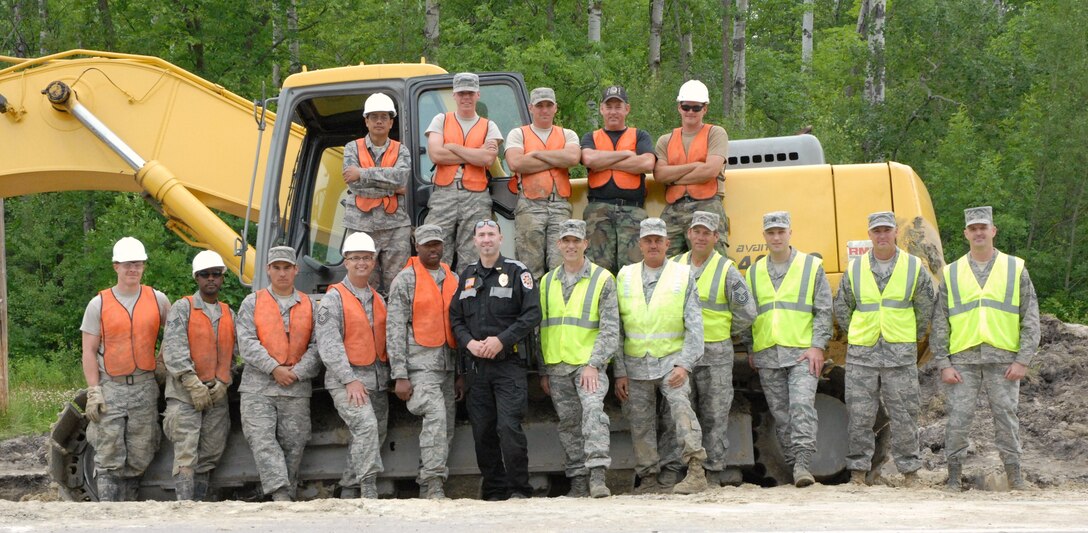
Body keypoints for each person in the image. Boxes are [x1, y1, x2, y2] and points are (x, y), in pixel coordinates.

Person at [932, 206, 1040, 491]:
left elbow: (1030, 317)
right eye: (973, 228)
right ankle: (954, 477)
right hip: (962, 361)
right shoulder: (952, 272)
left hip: (1003, 360)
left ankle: (1015, 476)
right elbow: (940, 320)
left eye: (984, 227)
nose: (979, 232)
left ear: (993, 231)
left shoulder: (1015, 268)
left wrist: (1023, 360)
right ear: (966, 233)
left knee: (1006, 418)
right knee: (957, 420)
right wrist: (943, 362)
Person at [833, 212, 935, 487]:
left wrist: (908, 337)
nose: (881, 236)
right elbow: (842, 306)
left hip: (899, 356)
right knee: (860, 416)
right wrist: (856, 332)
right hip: (862, 356)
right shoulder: (855, 268)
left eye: (886, 231)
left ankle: (909, 472)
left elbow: (926, 306)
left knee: (905, 415)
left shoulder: (913, 267)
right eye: (876, 231)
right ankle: (857, 473)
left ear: (894, 233)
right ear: (869, 235)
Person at [659, 211, 756, 488]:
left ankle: (711, 471)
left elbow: (747, 312)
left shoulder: (727, 269)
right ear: (688, 234)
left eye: (707, 233)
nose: (701, 237)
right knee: (674, 414)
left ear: (716, 237)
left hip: (715, 355)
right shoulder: (673, 266)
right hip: (680, 354)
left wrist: (723, 332)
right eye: (696, 231)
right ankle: (674, 469)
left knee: (714, 414)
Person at [614, 218, 708, 495]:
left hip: (672, 362)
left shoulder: (682, 274)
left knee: (682, 413)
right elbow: (616, 327)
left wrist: (685, 364)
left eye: (658, 240)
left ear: (667, 243)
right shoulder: (625, 276)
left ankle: (695, 471)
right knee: (640, 422)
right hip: (635, 364)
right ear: (640, 244)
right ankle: (649, 478)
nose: (653, 244)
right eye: (648, 240)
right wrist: (620, 370)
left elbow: (695, 326)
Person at [450, 219, 541, 500]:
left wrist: (501, 339)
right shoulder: (466, 276)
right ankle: (493, 490)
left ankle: (518, 489)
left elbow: (532, 314)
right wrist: (469, 343)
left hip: (508, 366)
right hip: (477, 369)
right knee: (483, 431)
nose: (486, 239)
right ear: (474, 241)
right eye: (481, 235)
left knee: (508, 427)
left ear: (501, 238)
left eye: (491, 234)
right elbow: (455, 317)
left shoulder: (517, 272)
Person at [744, 211, 832, 488]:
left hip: (802, 353)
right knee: (780, 414)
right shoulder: (754, 272)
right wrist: (751, 348)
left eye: (781, 231)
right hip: (767, 353)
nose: (776, 237)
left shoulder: (810, 266)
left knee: (801, 406)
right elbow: (748, 314)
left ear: (790, 233)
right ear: (765, 237)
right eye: (771, 233)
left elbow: (824, 310)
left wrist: (818, 346)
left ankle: (803, 464)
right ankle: (795, 466)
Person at [80, 236, 171, 501]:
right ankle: (108, 509)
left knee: (141, 448)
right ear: (116, 266)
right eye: (127, 264)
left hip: (144, 385)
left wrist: (162, 359)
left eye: (138, 264)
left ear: (143, 266)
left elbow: (176, 331)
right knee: (109, 449)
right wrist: (94, 390)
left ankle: (129, 509)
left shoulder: (158, 299)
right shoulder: (99, 304)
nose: (133, 269)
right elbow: (88, 350)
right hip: (112, 386)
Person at [538, 219, 618, 498]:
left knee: (593, 414)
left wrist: (594, 364)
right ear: (559, 244)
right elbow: (542, 329)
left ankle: (597, 476)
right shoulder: (547, 282)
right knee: (569, 424)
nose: (571, 246)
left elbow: (610, 329)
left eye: (576, 241)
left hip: (588, 366)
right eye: (566, 241)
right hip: (558, 366)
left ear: (585, 243)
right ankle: (578, 481)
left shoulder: (603, 279)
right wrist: (544, 370)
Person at [236, 246, 322, 502]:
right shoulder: (252, 302)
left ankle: (286, 495)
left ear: (296, 270)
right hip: (257, 388)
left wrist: (296, 373)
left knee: (294, 445)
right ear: (268, 270)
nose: (282, 273)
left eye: (287, 268)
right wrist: (274, 368)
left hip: (295, 388)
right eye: (277, 268)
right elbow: (246, 341)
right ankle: (280, 494)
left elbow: (319, 346)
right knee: (262, 440)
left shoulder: (310, 305)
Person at [386, 224, 462, 499]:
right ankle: (433, 484)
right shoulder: (405, 280)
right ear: (416, 247)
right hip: (419, 367)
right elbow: (394, 329)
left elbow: (458, 326)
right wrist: (400, 375)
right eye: (427, 244)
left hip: (447, 365)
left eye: (437, 244)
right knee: (436, 419)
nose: (433, 249)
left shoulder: (452, 277)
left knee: (447, 428)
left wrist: (459, 373)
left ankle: (426, 480)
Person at [315, 232, 390, 499]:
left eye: (367, 258)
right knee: (366, 427)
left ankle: (348, 487)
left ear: (374, 262)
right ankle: (368, 489)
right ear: (345, 261)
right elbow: (328, 343)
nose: (362, 263)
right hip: (347, 381)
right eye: (356, 258)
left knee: (373, 433)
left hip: (377, 380)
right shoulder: (333, 299)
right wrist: (349, 379)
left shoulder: (378, 299)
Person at [162, 250, 237, 501]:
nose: (211, 279)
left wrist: (224, 382)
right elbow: (173, 349)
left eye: (216, 274)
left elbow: (233, 355)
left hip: (216, 395)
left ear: (222, 278)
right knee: (186, 450)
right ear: (197, 278)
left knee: (210, 452)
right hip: (186, 395)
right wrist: (192, 383)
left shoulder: (228, 313)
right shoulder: (183, 308)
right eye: (205, 275)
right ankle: (184, 505)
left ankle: (200, 504)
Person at [422, 72, 504, 270]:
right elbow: (436, 155)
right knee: (436, 249)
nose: (466, 97)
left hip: (476, 197)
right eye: (461, 93)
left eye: (470, 92)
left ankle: (468, 298)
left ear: (478, 95)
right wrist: (475, 154)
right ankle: (439, 298)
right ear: (454, 95)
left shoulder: (489, 126)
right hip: (444, 194)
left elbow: (487, 158)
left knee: (473, 256)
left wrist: (453, 147)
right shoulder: (440, 120)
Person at [505, 87, 581, 280]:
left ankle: (556, 308)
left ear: (556, 108)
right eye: (540, 106)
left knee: (561, 265)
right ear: (531, 108)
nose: (544, 110)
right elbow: (516, 163)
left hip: (560, 205)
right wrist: (557, 158)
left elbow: (572, 158)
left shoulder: (568, 134)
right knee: (530, 267)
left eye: (548, 105)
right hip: (530, 206)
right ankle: (533, 309)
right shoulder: (518, 134)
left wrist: (537, 154)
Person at [341, 92, 412, 295]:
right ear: (366, 121)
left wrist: (362, 174)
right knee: (362, 285)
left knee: (398, 286)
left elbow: (401, 179)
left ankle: (395, 326)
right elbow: (353, 184)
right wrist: (391, 186)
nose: (379, 121)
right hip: (360, 226)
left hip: (395, 227)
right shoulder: (351, 148)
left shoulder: (402, 150)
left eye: (384, 117)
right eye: (374, 117)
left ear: (391, 122)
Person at [579, 85, 656, 273]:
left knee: (633, 270)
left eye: (618, 106)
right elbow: (589, 159)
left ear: (627, 109)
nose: (613, 111)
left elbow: (647, 164)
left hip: (632, 210)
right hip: (598, 211)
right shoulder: (591, 137)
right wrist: (626, 155)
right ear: (601, 109)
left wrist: (604, 161)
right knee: (598, 270)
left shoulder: (640, 135)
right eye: (609, 106)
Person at [653, 80, 729, 257]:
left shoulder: (716, 133)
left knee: (711, 262)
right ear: (679, 107)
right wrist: (695, 166)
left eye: (696, 108)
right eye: (686, 107)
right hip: (674, 208)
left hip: (708, 204)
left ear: (705, 108)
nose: (690, 112)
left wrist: (674, 179)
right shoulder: (666, 140)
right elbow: (659, 174)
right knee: (661, 261)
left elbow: (710, 170)